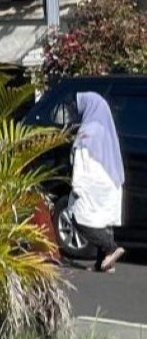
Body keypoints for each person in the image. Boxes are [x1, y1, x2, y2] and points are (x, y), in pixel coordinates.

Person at [71, 91, 128, 272]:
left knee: (79, 218)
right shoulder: (106, 128)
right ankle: (103, 263)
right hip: (110, 184)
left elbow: (81, 159)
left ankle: (110, 248)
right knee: (102, 221)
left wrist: (77, 184)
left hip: (92, 184)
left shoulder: (88, 130)